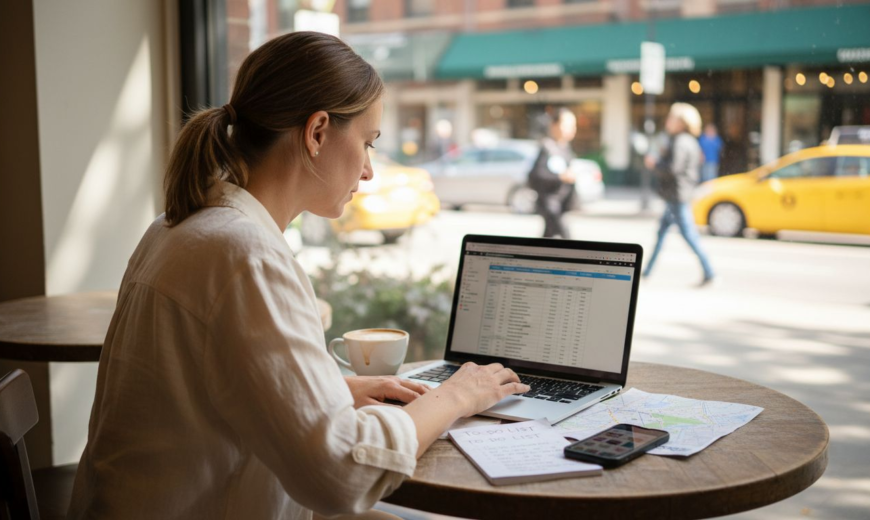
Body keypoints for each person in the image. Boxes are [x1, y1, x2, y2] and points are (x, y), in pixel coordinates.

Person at [67, 32, 529, 520]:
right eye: (367, 144)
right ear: (317, 133)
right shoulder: (244, 255)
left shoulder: (178, 226)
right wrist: (455, 395)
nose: (370, 171)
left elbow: (205, 391)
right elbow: (340, 474)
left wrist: (334, 390)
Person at [643, 103, 715, 286]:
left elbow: (673, 168)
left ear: (682, 122)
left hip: (677, 196)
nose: (668, 121)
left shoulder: (681, 141)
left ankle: (710, 272)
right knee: (661, 234)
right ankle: (647, 271)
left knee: (689, 235)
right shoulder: (686, 140)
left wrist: (655, 164)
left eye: (672, 118)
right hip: (676, 195)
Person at [528, 108, 578, 238]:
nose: (571, 129)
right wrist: (561, 177)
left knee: (547, 240)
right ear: (554, 126)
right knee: (566, 239)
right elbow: (535, 175)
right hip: (551, 205)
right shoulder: (547, 147)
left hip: (561, 205)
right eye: (567, 125)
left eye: (573, 126)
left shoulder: (566, 148)